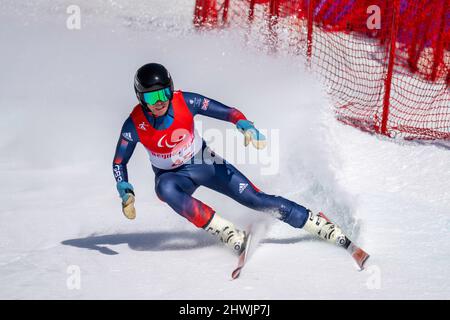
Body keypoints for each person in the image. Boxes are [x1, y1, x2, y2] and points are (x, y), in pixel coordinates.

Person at [112, 63, 366, 264]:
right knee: (163, 189)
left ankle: (317, 223)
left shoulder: (184, 102)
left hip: (203, 161)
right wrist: (125, 189)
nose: (160, 100)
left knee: (256, 200)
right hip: (172, 177)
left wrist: (243, 124)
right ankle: (228, 232)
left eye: (164, 92)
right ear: (140, 98)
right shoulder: (133, 124)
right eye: (152, 96)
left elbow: (227, 111)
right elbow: (119, 162)